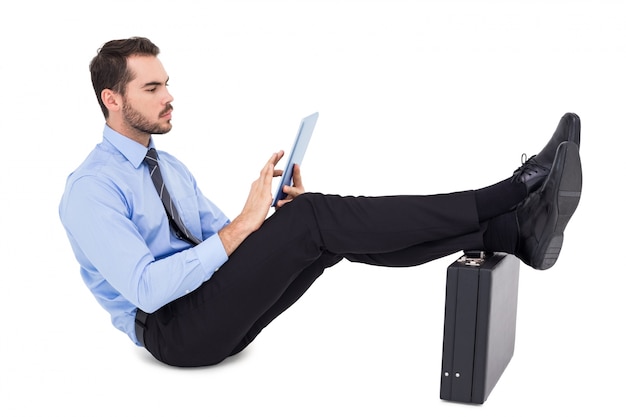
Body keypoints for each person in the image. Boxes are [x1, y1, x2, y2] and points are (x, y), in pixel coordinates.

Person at [59, 37, 583, 367]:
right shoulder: (91, 190)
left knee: (322, 232)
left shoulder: (168, 167)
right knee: (316, 219)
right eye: (152, 88)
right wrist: (247, 226)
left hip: (218, 315)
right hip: (176, 336)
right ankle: (510, 193)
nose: (169, 96)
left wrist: (269, 224)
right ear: (113, 99)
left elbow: (224, 240)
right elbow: (148, 291)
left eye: (167, 84)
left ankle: (508, 233)